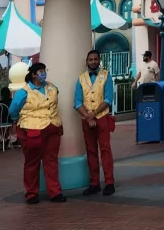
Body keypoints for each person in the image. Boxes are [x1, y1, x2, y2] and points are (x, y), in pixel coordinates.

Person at [9, 62, 65, 204]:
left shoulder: (52, 88)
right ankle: (31, 193)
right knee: (32, 162)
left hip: (52, 128)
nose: (43, 74)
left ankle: (55, 192)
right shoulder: (24, 92)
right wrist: (19, 121)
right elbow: (13, 110)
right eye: (40, 71)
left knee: (51, 161)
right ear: (33, 74)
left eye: (44, 71)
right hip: (32, 130)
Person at [75, 49, 116, 196]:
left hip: (102, 117)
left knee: (105, 150)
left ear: (99, 61)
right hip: (86, 120)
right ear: (87, 62)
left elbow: (108, 99)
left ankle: (109, 182)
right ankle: (94, 183)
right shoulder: (80, 78)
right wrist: (88, 116)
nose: (93, 62)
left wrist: (93, 114)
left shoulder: (106, 76)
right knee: (91, 151)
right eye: (90, 59)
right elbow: (77, 102)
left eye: (95, 59)